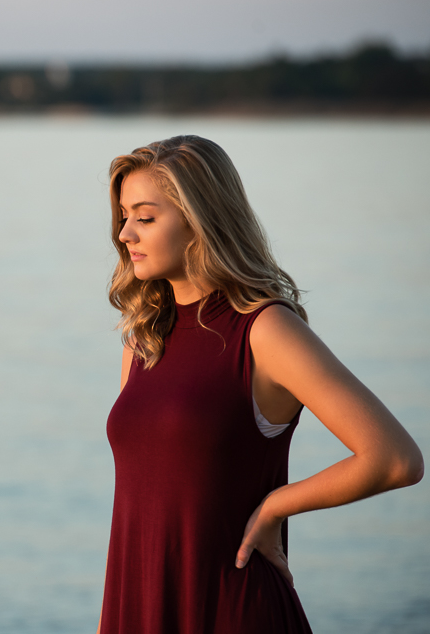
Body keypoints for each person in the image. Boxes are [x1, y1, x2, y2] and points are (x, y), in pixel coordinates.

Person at [96, 135, 423, 634]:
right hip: (137, 609)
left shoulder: (265, 329)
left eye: (145, 217)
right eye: (123, 216)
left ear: (199, 220)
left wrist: (277, 505)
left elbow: (395, 458)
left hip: (231, 610)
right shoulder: (145, 336)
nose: (124, 235)